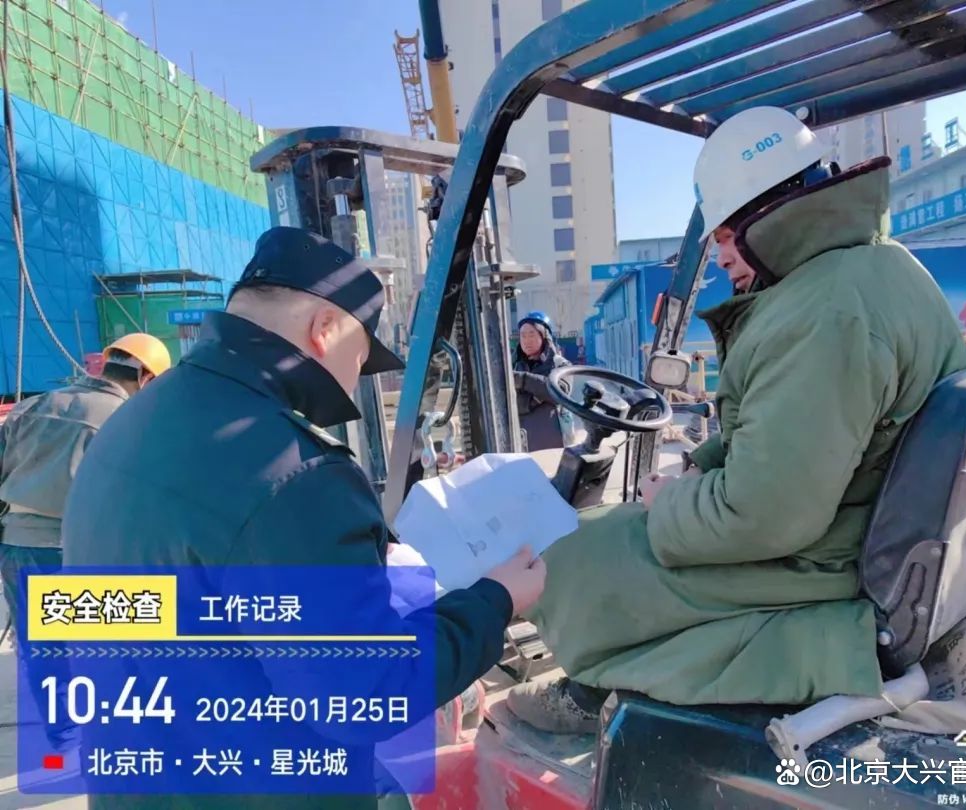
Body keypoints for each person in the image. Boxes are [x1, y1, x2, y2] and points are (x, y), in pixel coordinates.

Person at [505, 106, 966, 734]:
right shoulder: (870, 270)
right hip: (865, 525)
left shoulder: (824, 311)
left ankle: (603, 689)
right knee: (613, 531)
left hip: (828, 559)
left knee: (572, 556)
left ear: (767, 214)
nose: (721, 256)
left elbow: (764, 516)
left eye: (726, 235)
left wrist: (669, 503)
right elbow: (786, 428)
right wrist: (700, 465)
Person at [62, 226, 545, 810]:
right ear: (325, 328)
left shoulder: (131, 425)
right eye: (359, 358)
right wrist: (495, 600)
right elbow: (363, 694)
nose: (355, 380)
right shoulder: (295, 469)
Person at [0, 333, 170, 748]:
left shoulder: (32, 407)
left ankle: (66, 735)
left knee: (43, 646)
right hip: (83, 546)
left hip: (19, 546)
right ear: (147, 378)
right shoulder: (129, 420)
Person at [513, 311, 571, 451]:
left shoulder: (560, 365)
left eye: (531, 334)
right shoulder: (514, 366)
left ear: (544, 336)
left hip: (555, 444)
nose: (526, 340)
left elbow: (559, 393)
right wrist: (536, 398)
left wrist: (523, 380)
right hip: (523, 445)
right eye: (523, 335)